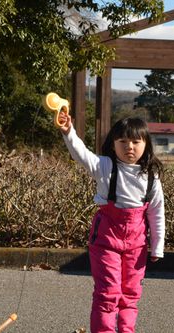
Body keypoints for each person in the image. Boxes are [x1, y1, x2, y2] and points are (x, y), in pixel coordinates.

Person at [58, 112, 165, 333]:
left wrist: (157, 246)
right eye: (123, 141)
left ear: (146, 145)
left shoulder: (152, 178)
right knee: (108, 293)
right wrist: (68, 131)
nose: (130, 147)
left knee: (130, 295)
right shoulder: (104, 166)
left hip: (137, 245)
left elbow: (156, 213)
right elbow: (82, 154)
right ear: (113, 144)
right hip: (105, 241)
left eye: (136, 141)